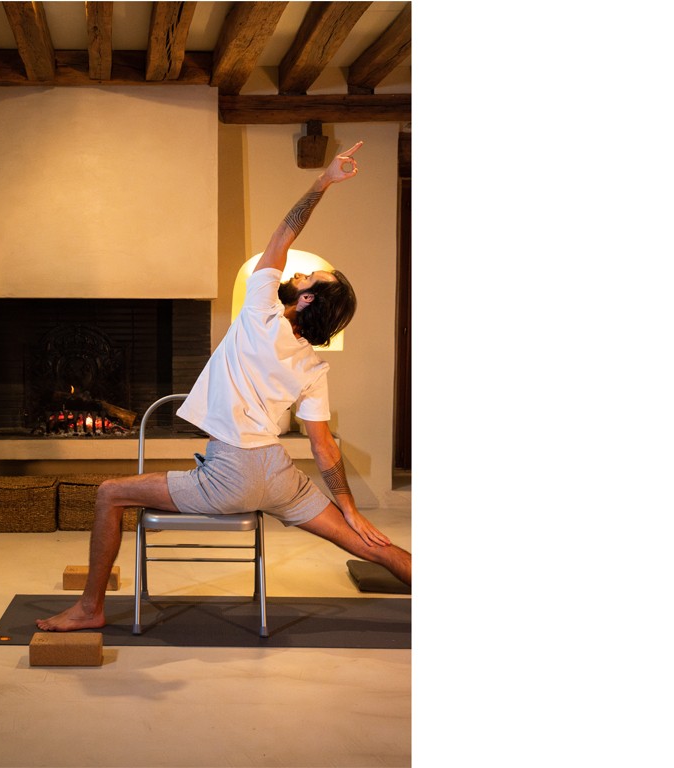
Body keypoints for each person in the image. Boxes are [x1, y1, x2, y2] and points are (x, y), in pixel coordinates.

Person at [37, 141, 411, 632]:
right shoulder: (313, 367)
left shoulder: (260, 313)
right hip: (278, 476)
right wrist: (350, 509)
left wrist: (324, 181)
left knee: (109, 493)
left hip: (231, 474)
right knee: (368, 542)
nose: (299, 272)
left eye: (309, 277)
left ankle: (90, 608)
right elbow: (323, 448)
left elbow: (284, 231)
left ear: (304, 300)